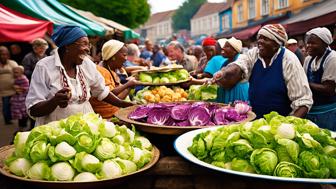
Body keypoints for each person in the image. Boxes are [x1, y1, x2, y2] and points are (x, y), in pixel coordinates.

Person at [25, 26, 133, 126]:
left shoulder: (86, 64)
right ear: (67, 45)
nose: (88, 49)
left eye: (88, 45)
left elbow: (101, 91)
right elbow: (33, 109)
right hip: (56, 131)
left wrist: (125, 105)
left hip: (85, 127)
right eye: (84, 44)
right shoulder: (44, 67)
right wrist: (54, 101)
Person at [213, 24, 313, 118]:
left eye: (265, 39)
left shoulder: (289, 59)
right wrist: (223, 72)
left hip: (281, 120)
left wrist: (288, 124)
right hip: (256, 118)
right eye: (259, 38)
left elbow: (303, 101)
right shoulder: (254, 54)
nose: (260, 41)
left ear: (276, 44)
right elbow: (239, 65)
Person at [90, 40, 140, 119]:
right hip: (104, 118)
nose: (126, 59)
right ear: (113, 55)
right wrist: (128, 84)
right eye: (124, 55)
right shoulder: (100, 71)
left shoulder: (112, 72)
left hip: (114, 115)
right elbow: (107, 94)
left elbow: (118, 98)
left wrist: (130, 86)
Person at [303, 27, 336, 131]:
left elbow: (328, 89)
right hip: (311, 109)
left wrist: (305, 83)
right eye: (308, 43)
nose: (309, 46)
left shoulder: (332, 58)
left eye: (313, 43)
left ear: (325, 44)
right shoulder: (309, 59)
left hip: (327, 111)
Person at [216, 37, 249, 104]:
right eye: (224, 46)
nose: (223, 48)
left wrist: (217, 79)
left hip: (237, 93)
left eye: (227, 46)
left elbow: (228, 84)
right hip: (226, 93)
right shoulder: (225, 62)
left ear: (235, 50)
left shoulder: (241, 58)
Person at [0, 46, 18, 125]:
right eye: (1, 54)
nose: (3, 56)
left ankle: (12, 118)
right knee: (5, 106)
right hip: (3, 91)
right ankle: (7, 120)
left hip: (13, 89)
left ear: (8, 55)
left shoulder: (13, 63)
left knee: (13, 106)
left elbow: (19, 73)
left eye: (5, 54)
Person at [10, 66, 29, 130]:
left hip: (22, 99)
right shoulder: (15, 79)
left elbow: (26, 88)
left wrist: (18, 88)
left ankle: (23, 126)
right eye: (14, 72)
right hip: (17, 99)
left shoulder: (23, 79)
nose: (15, 74)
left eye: (17, 72)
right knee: (19, 114)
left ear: (22, 72)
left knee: (23, 113)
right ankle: (21, 126)